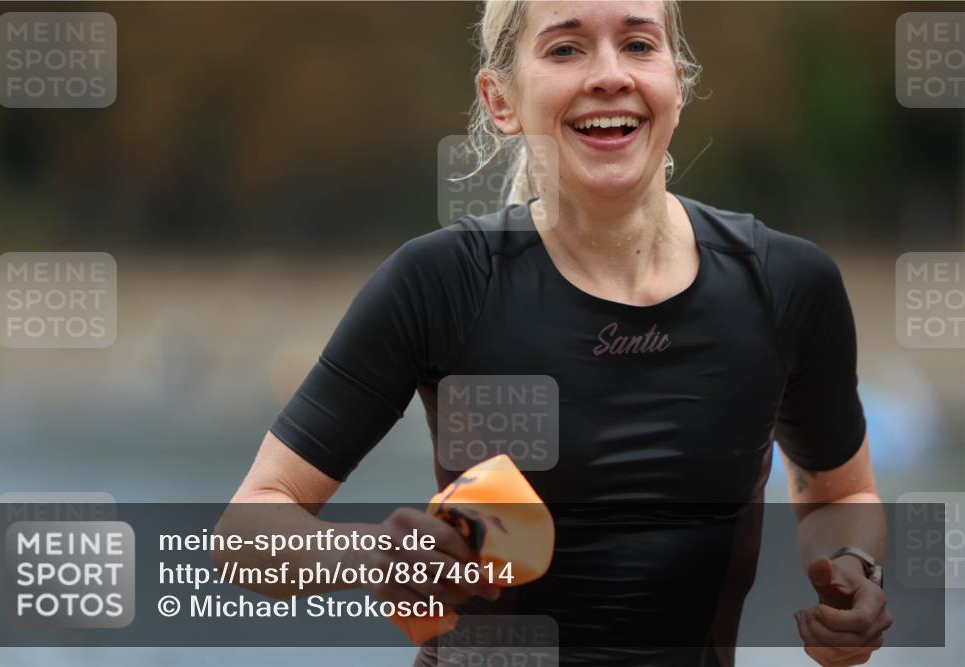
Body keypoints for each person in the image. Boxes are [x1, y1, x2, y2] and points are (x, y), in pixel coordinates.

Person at [216, 1, 893, 665]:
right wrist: (369, 555)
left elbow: (840, 495)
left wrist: (853, 570)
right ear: (500, 99)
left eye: (638, 44)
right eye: (565, 48)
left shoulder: (784, 285)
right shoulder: (443, 282)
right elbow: (246, 527)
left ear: (677, 83)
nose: (609, 75)